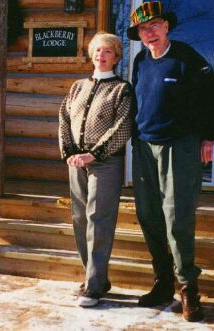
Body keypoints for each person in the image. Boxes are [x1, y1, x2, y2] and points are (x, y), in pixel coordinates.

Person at [127, 1, 214, 322]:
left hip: (179, 147)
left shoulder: (185, 57)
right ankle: (163, 281)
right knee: (148, 214)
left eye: (155, 25)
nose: (150, 32)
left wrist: (209, 135)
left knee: (176, 216)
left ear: (166, 26)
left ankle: (188, 288)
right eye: (144, 28)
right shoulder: (141, 61)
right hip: (144, 148)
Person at [59, 32, 133, 308]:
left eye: (108, 52)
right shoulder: (78, 87)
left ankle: (93, 285)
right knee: (79, 217)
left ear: (116, 57)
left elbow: (123, 126)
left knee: (98, 218)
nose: (102, 56)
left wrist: (95, 153)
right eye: (98, 51)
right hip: (76, 161)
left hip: (105, 161)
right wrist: (69, 151)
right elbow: (64, 117)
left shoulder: (121, 89)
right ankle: (96, 277)